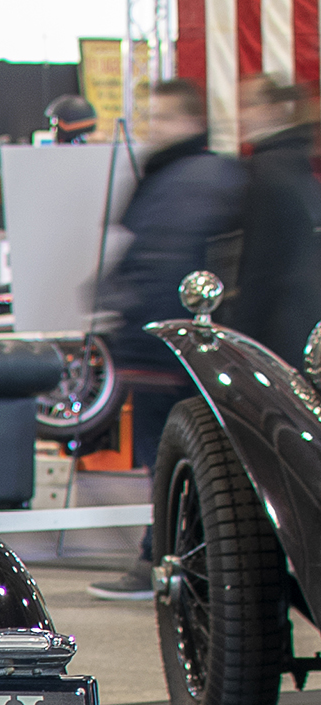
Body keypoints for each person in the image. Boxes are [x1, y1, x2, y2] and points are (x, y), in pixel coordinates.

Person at [89, 79, 244, 599]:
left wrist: (127, 321)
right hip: (187, 346)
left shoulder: (174, 180)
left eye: (161, 117)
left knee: (168, 462)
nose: (152, 127)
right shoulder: (218, 175)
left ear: (188, 120)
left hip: (166, 346)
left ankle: (161, 561)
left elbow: (155, 265)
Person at [227, 74, 321, 366]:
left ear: (273, 110)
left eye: (247, 106)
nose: (241, 116)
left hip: (285, 330)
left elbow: (260, 269)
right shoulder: (299, 161)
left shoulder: (265, 171)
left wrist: (240, 343)